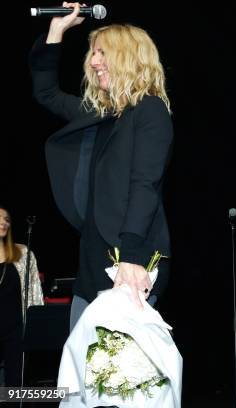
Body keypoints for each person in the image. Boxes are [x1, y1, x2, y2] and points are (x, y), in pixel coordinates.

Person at [29, 3, 173, 330]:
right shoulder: (102, 114)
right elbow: (46, 92)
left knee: (115, 373)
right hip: (92, 260)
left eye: (101, 54)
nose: (93, 63)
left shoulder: (150, 112)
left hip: (128, 258)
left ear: (127, 57)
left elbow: (144, 185)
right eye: (92, 55)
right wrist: (57, 30)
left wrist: (131, 258)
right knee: (82, 369)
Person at [0, 205, 44, 386]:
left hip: (15, 332)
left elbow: (35, 294)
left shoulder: (23, 254)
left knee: (15, 385)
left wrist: (35, 330)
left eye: (7, 219)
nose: (4, 222)